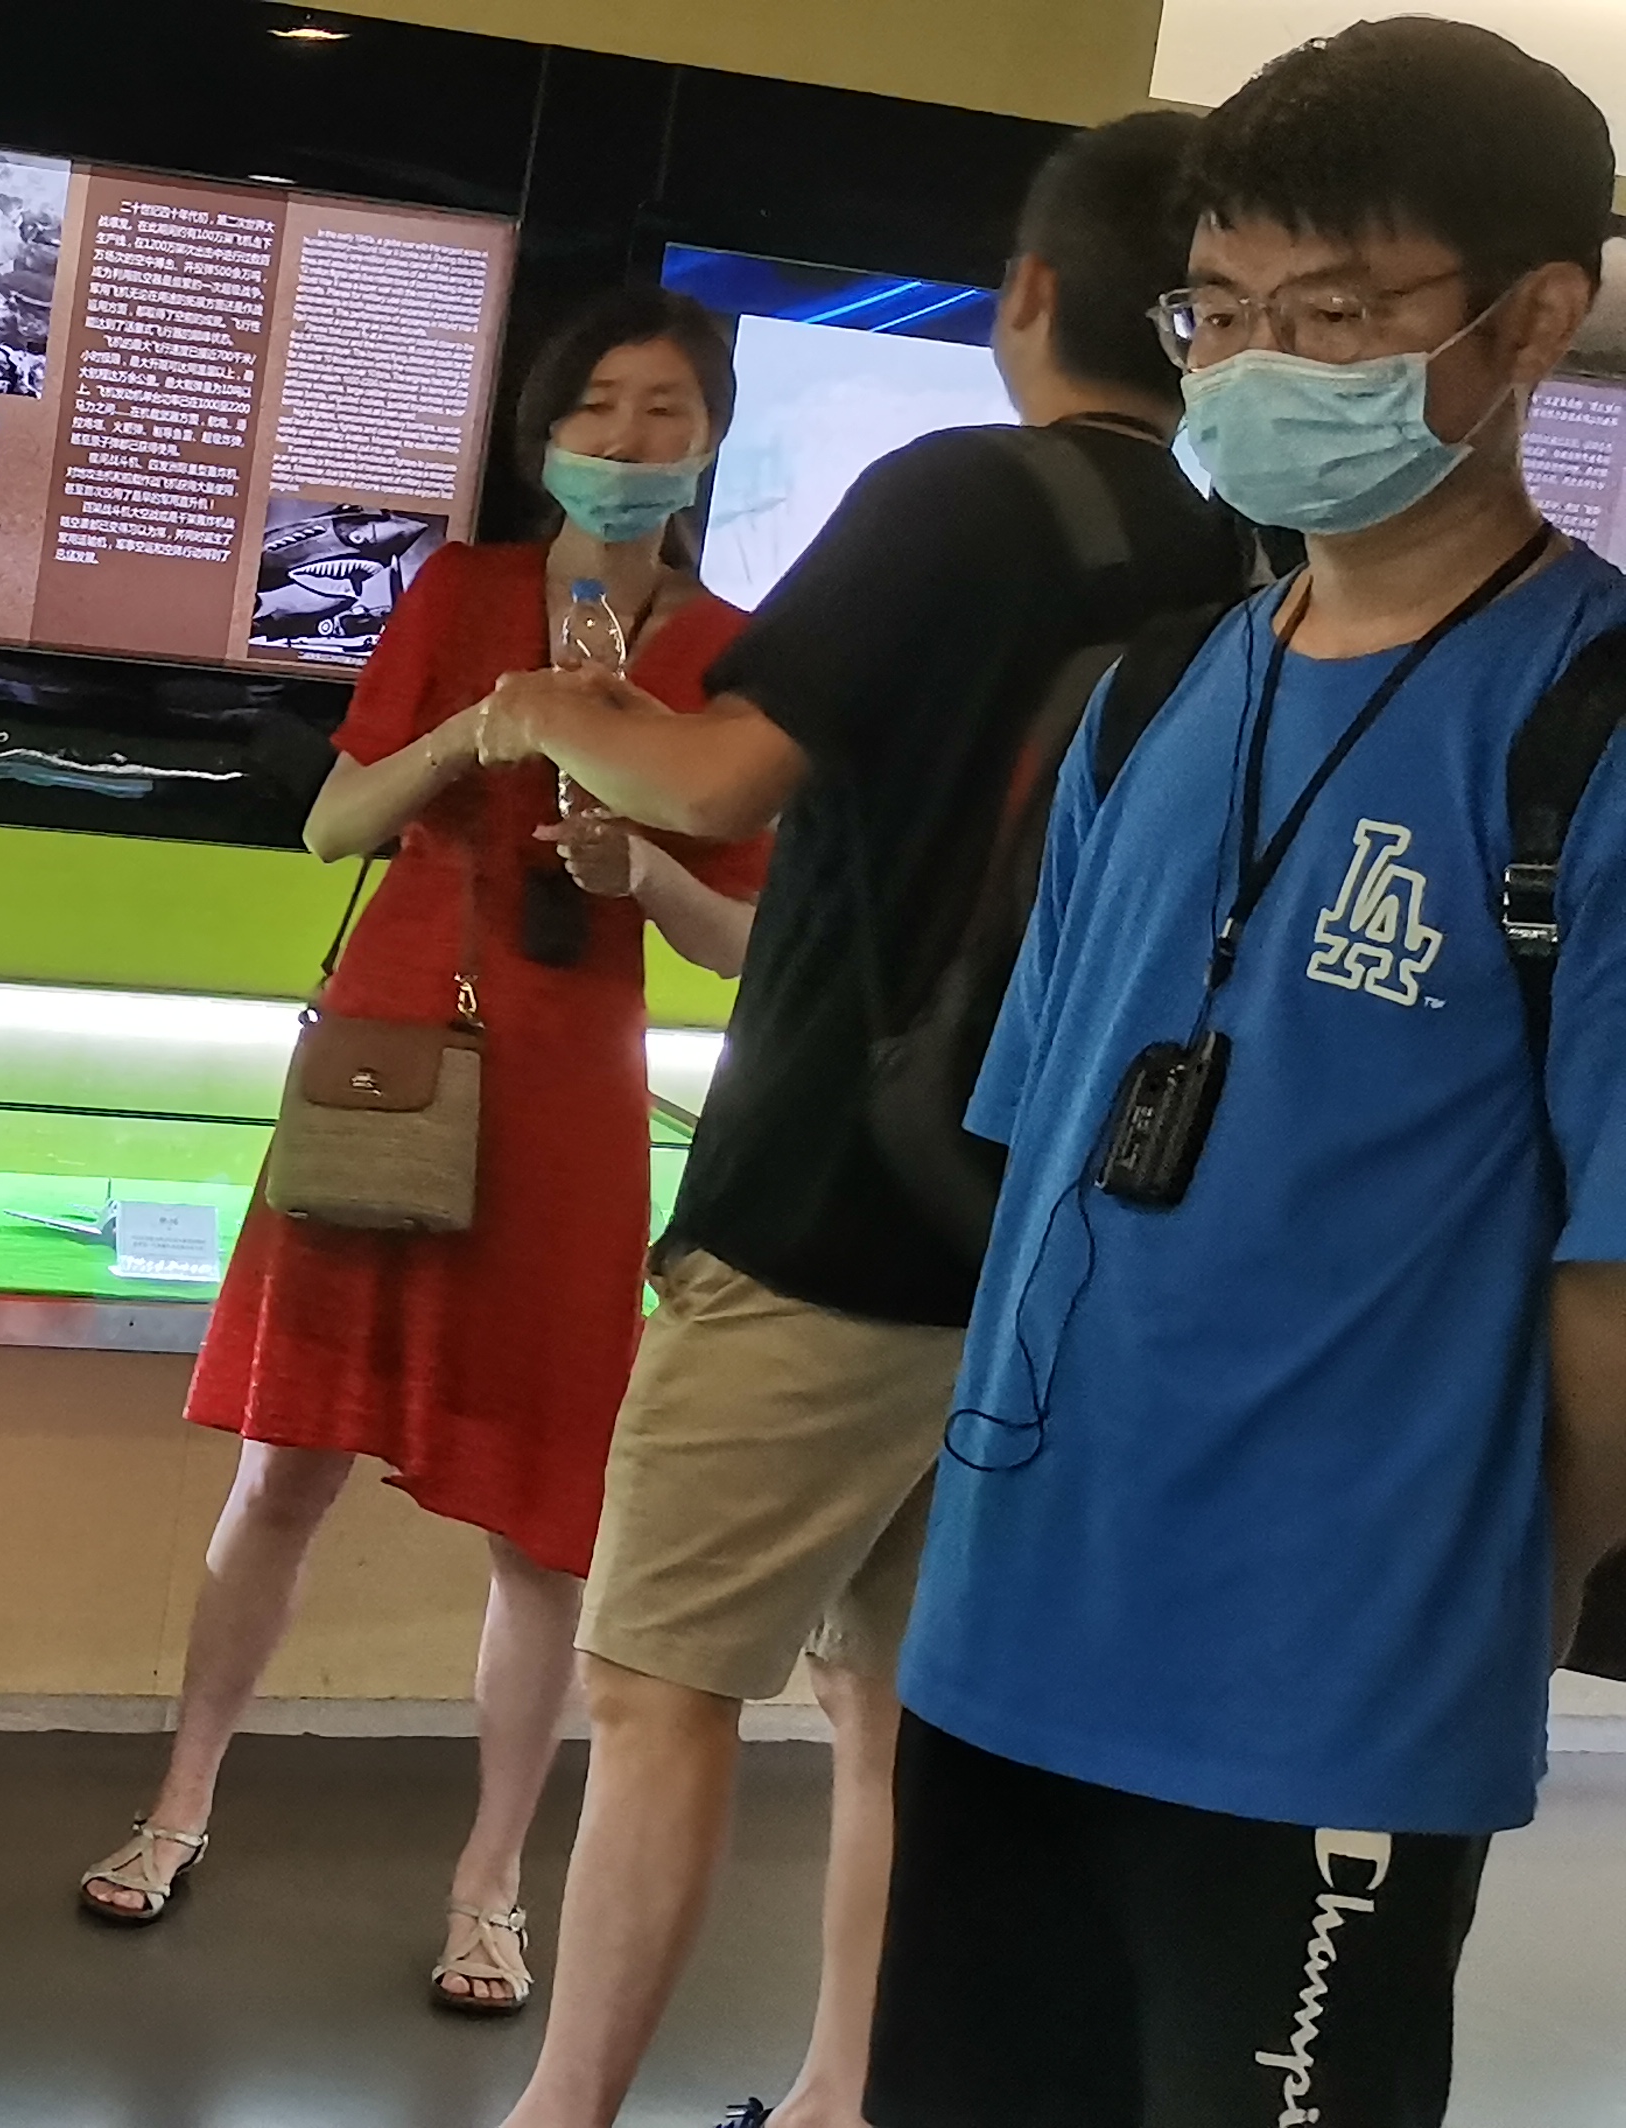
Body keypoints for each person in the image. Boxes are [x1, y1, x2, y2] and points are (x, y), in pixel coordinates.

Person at [468, 109, 1256, 2128]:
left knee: (657, 1678)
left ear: (1029, 293)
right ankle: (840, 2094)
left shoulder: (957, 492)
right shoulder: (1234, 553)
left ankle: (562, 2109)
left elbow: (715, 775)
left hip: (823, 1205)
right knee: (888, 1698)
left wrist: (535, 706)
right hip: (1042, 1234)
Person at [871, 25, 1626, 2123]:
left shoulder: (1587, 732)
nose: (1260, 363)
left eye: (1340, 313)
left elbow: (1612, 1293)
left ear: (1528, 320)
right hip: (1008, 1638)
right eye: (1220, 310)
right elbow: (1038, 1160)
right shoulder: (1149, 695)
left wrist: (1492, 1594)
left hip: (1330, 1686)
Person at [75, 289, 765, 2020]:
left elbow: (748, 942)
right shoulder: (457, 595)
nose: (625, 440)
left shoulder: (732, 653)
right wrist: (487, 726)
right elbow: (332, 824)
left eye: (664, 410)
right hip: (389, 1062)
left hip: (570, 1101)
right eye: (596, 405)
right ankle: (177, 1802)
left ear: (709, 439)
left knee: (543, 1529)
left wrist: (638, 868)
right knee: (282, 1465)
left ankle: (489, 1886)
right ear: (544, 431)